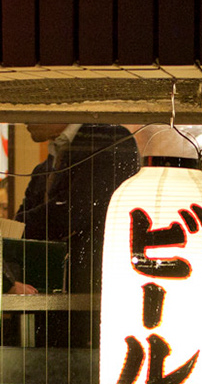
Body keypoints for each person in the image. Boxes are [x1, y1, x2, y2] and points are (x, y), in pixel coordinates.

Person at [14, 122, 140, 293]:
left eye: (28, 106)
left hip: (92, 293)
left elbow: (75, 211)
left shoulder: (109, 139)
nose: (23, 119)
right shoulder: (44, 169)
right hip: (52, 295)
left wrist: (8, 227)